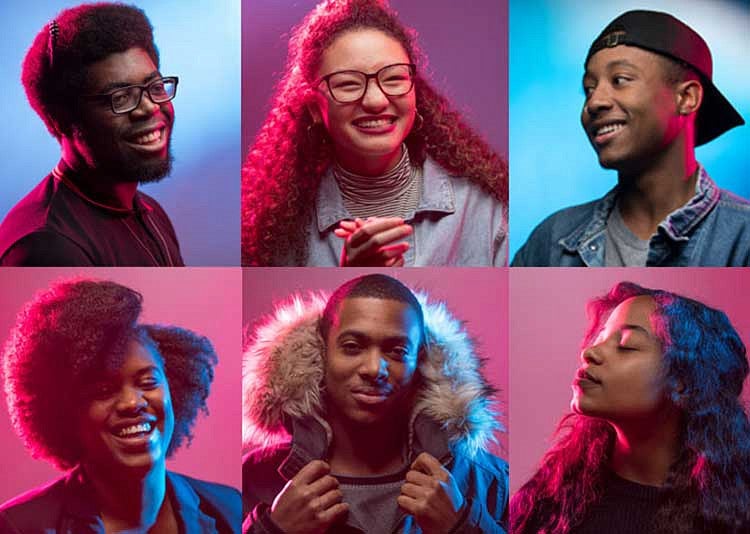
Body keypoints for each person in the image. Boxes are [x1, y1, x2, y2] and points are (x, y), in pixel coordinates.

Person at [242, 0, 508, 267]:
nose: (375, 100)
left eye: (393, 78)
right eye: (348, 83)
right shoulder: (277, 232)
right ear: (314, 108)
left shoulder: (485, 211)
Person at [242, 274, 508, 532]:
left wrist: (462, 527)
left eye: (397, 352)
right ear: (321, 352)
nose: (373, 369)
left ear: (421, 361)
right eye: (352, 346)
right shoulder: (254, 478)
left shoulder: (487, 480)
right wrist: (272, 529)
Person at [512, 10, 749, 267]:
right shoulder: (551, 241)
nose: (594, 102)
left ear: (686, 98)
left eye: (620, 80)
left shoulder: (742, 237)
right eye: (589, 89)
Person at [0, 280, 240, 532]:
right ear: (65, 411)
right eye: (103, 391)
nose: (132, 402)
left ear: (175, 388)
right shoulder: (18, 526)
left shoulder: (229, 509)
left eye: (148, 382)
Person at [510, 282, 750, 533]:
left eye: (625, 345)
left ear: (683, 383)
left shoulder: (735, 516)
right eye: (599, 338)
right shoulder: (548, 499)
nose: (590, 352)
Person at [0, 3, 183, 266]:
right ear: (63, 118)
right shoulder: (45, 244)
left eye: (154, 86)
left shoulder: (151, 212)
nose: (150, 107)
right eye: (120, 97)